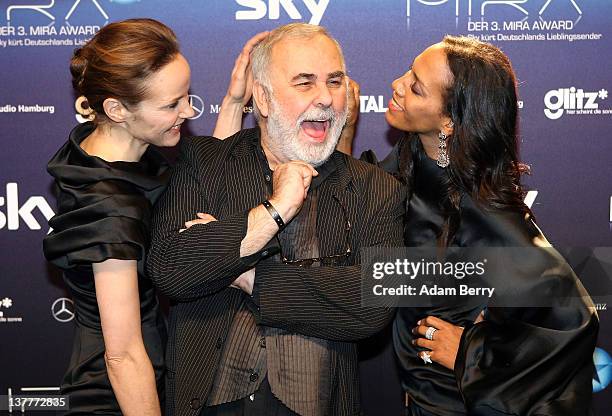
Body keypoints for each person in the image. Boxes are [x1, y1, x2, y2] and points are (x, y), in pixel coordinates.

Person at [146, 23, 405, 416]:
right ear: (263, 99)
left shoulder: (376, 188)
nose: (326, 98)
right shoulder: (203, 161)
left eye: (334, 82)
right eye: (305, 83)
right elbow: (170, 268)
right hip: (209, 402)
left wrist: (249, 276)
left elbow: (371, 306)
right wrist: (275, 211)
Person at [351, 36, 598, 415]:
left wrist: (472, 352)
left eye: (416, 87)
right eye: (408, 71)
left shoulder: (482, 210)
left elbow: (573, 321)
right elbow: (355, 195)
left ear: (448, 120)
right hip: (417, 399)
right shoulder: (412, 158)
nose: (397, 85)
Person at [43, 18, 194, 415]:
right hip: (119, 397)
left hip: (148, 370)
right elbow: (123, 355)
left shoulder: (101, 155)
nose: (189, 110)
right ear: (116, 109)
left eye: (186, 96)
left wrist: (233, 101)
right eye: (172, 104)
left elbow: (181, 179)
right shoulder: (109, 207)